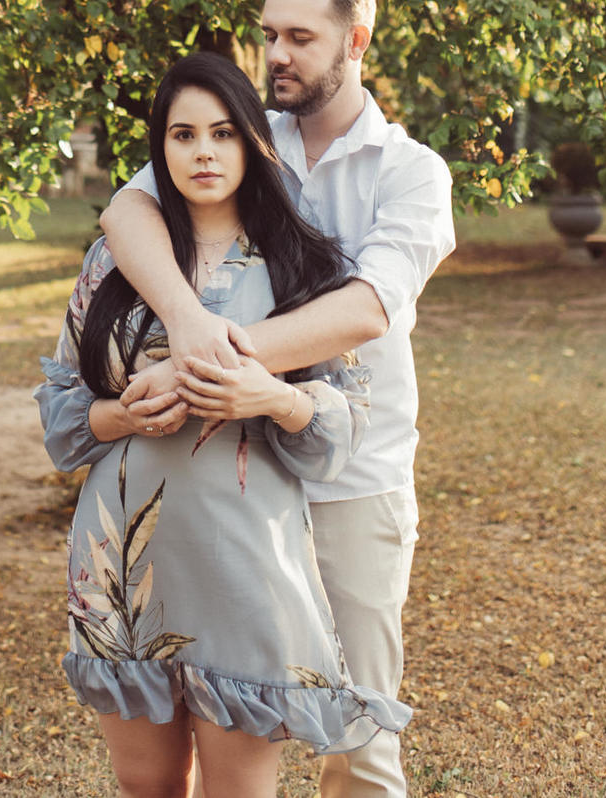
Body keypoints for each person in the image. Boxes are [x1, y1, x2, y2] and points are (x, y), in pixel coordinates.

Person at [101, 0, 455, 798]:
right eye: (269, 34)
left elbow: (369, 309)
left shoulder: (411, 173)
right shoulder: (240, 135)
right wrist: (187, 324)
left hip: (349, 485)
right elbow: (126, 208)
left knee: (358, 738)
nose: (277, 56)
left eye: (300, 36)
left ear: (356, 41)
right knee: (216, 710)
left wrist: (223, 355)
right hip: (224, 490)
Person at [35, 51, 410, 798]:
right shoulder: (116, 261)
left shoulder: (303, 266)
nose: (203, 151)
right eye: (182, 135)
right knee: (145, 784)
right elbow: (62, 421)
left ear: (252, 143)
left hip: (247, 564)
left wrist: (268, 397)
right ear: (160, 148)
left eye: (223, 133)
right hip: (122, 566)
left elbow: (340, 431)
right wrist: (121, 412)